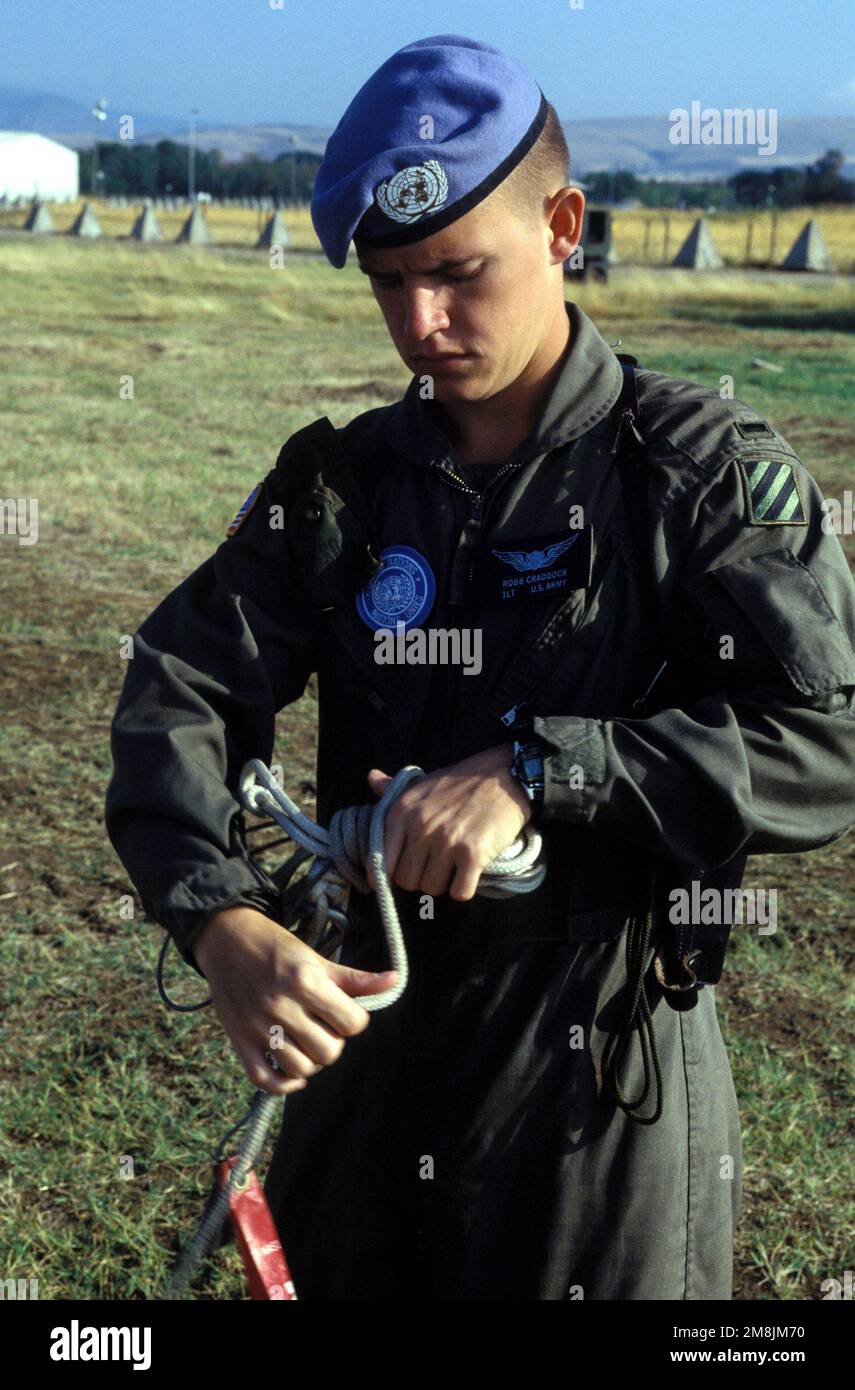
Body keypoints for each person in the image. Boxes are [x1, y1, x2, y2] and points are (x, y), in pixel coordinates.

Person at [105, 34, 855, 1300]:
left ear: (564, 223)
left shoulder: (695, 476)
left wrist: (543, 769)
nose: (421, 326)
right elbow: (174, 684)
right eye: (388, 285)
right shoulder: (341, 487)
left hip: (598, 1101)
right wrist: (219, 919)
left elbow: (829, 742)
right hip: (365, 1080)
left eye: (457, 274)